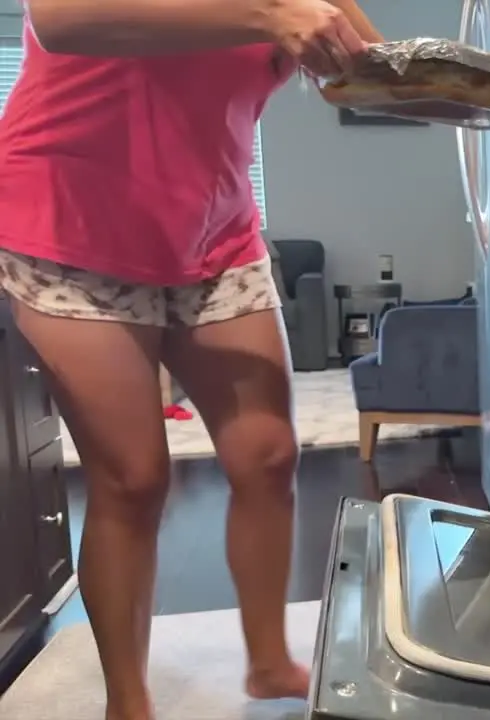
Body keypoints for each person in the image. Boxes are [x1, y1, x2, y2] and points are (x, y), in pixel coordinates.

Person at [0, 1, 383, 718]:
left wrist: (475, 92)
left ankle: (269, 664)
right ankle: (128, 701)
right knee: (133, 480)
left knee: (268, 455)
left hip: (214, 231)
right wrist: (269, 15)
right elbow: (59, 17)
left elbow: (372, 69)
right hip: (69, 227)